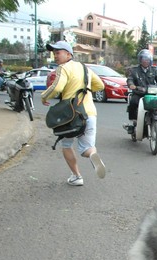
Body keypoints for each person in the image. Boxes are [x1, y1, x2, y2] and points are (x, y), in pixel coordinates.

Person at [41, 41, 106, 186]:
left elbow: (57, 88)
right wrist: (86, 91)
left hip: (70, 115)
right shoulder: (85, 68)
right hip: (89, 113)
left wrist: (44, 96)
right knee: (87, 148)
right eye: (54, 53)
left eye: (58, 53)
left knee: (66, 144)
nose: (55, 56)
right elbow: (100, 85)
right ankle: (93, 156)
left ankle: (77, 177)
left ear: (69, 54)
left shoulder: (63, 68)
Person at [126, 49, 157, 133]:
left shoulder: (154, 69)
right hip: (139, 93)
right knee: (133, 102)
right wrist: (132, 85)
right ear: (140, 60)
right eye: (144, 59)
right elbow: (130, 79)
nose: (146, 61)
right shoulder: (134, 70)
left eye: (148, 59)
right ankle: (134, 120)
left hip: (151, 94)